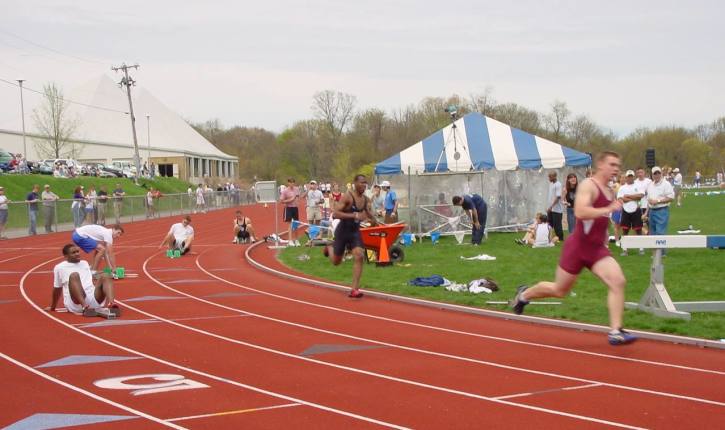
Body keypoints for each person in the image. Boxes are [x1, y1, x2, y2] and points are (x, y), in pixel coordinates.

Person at [511, 151, 637, 346]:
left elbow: (601, 221)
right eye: (612, 164)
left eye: (618, 165)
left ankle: (616, 331)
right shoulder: (589, 185)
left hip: (596, 249)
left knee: (618, 281)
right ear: (601, 165)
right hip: (577, 247)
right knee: (559, 290)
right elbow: (580, 211)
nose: (616, 168)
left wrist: (605, 233)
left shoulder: (610, 191)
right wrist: (608, 209)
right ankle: (524, 295)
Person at [322, 174, 378, 298]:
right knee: (336, 262)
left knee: (359, 255)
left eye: (365, 183)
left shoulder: (365, 199)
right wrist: (354, 216)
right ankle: (329, 247)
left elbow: (367, 213)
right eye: (361, 183)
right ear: (355, 183)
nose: (364, 185)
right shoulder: (348, 197)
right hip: (343, 231)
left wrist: (373, 220)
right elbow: (335, 214)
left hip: (355, 232)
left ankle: (354, 289)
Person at [48, 244, 116, 315]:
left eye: (77, 251)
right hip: (76, 302)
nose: (77, 254)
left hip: (93, 299)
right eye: (73, 253)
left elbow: (92, 277)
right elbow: (57, 288)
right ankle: (85, 307)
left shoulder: (84, 263)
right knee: (74, 275)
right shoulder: (59, 267)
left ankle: (112, 304)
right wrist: (53, 307)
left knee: (106, 275)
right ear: (66, 256)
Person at [617, 170, 645, 256]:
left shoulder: (638, 185)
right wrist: (634, 198)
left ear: (633, 177)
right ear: (626, 178)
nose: (630, 178)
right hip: (626, 211)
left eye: (631, 176)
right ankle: (625, 250)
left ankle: (641, 248)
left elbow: (640, 196)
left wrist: (628, 196)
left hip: (636, 210)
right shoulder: (622, 188)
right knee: (625, 231)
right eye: (628, 176)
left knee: (638, 230)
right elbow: (621, 199)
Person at [647, 166, 675, 237]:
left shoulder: (666, 184)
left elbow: (671, 197)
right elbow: (648, 199)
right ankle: (655, 248)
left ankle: (660, 248)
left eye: (658, 173)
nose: (657, 175)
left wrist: (658, 201)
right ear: (652, 175)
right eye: (655, 174)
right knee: (652, 233)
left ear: (661, 174)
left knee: (660, 234)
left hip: (661, 211)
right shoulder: (650, 185)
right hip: (651, 211)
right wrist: (646, 212)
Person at [280, 177, 301, 247]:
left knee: (296, 224)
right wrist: (290, 200)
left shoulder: (297, 189)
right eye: (290, 182)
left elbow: (298, 197)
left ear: (294, 183)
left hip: (295, 208)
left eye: (293, 182)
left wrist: (297, 201)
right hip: (288, 208)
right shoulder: (285, 191)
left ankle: (296, 240)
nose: (291, 184)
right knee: (289, 224)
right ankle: (290, 240)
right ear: (288, 183)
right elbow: (281, 201)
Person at [634, 167, 652, 235]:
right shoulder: (635, 182)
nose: (640, 174)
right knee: (638, 225)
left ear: (644, 173)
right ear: (636, 174)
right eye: (638, 172)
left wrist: (644, 193)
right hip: (638, 206)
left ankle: (651, 238)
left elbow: (651, 192)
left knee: (650, 224)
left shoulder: (649, 181)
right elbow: (634, 194)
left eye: (641, 172)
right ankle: (641, 243)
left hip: (648, 206)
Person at [547, 172, 564, 241]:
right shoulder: (551, 184)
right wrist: (548, 206)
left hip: (557, 209)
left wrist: (551, 206)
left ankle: (560, 238)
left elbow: (558, 197)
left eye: (550, 177)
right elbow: (551, 196)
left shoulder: (558, 184)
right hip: (551, 208)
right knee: (550, 224)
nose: (549, 178)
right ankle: (549, 237)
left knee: (557, 225)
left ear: (555, 176)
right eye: (549, 177)